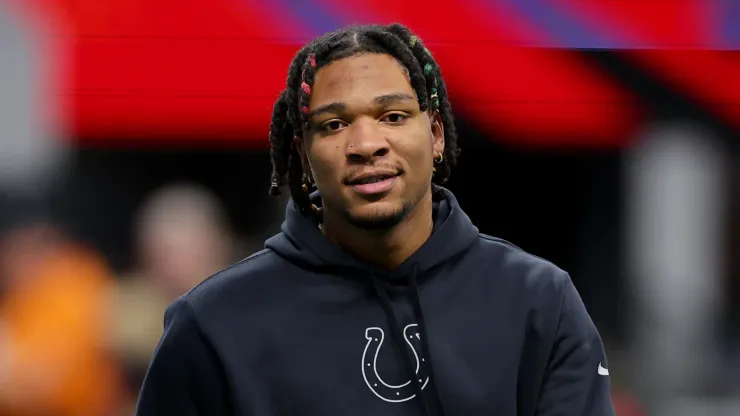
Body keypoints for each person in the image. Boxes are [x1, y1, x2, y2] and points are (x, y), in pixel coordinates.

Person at [136, 23, 615, 415]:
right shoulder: (213, 324)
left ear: (436, 134)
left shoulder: (538, 302)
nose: (366, 144)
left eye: (392, 116)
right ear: (302, 155)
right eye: (334, 124)